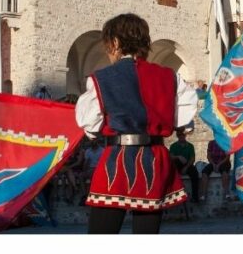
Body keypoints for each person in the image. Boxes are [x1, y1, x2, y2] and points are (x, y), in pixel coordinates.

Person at [75, 13, 198, 234]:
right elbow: (184, 123)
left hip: (118, 160)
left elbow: (91, 128)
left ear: (115, 42)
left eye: (107, 45)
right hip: (154, 159)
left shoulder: (102, 78)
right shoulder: (170, 77)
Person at [169, 129, 200, 204]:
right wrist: (178, 157)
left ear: (185, 135)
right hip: (177, 164)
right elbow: (171, 157)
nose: (181, 137)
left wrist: (186, 167)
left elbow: (192, 159)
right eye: (179, 135)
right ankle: (172, 196)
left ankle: (195, 197)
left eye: (182, 135)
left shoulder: (190, 146)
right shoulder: (173, 146)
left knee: (195, 174)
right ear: (177, 136)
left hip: (187, 165)